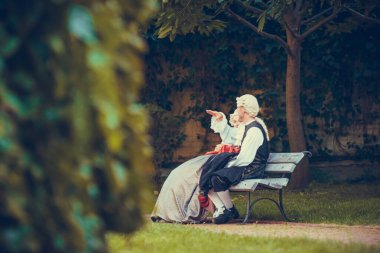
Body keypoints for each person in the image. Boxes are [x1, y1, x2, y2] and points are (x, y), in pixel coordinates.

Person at [150, 109, 243, 223]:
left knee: (192, 176)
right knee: (178, 173)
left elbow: (239, 150)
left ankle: (182, 212)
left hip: (219, 162)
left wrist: (229, 149)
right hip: (214, 159)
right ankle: (165, 212)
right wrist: (221, 118)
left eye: (239, 121)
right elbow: (226, 130)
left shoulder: (245, 134)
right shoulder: (234, 132)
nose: (237, 124)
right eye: (235, 121)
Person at [200, 94, 270, 224]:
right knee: (208, 175)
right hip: (245, 165)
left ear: (244, 109)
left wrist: (227, 165)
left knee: (217, 177)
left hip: (252, 168)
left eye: (239, 107)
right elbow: (231, 136)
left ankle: (229, 211)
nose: (237, 110)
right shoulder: (245, 126)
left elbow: (245, 158)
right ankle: (228, 210)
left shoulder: (254, 130)